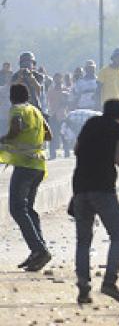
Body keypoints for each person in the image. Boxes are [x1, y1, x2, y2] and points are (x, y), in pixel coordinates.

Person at [71, 99, 119, 305]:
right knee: (118, 235)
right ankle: (109, 282)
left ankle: (84, 287)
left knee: (83, 240)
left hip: (80, 186)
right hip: (102, 188)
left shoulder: (90, 123)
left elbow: (76, 149)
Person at [0, 84, 52, 272]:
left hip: (25, 166)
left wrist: (4, 139)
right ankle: (38, 252)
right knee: (28, 209)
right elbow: (49, 135)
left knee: (16, 208)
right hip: (38, 166)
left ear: (11, 98)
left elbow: (15, 129)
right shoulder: (35, 111)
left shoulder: (17, 109)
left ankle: (39, 249)